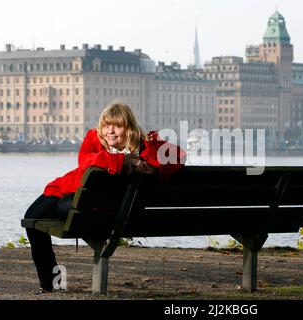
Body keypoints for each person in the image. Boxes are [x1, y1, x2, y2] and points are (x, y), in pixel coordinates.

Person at [24, 103, 186, 294]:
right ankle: (50, 282)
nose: (110, 131)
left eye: (117, 126)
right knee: (32, 218)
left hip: (95, 208)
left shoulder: (144, 147)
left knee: (62, 210)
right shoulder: (95, 139)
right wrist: (124, 161)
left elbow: (179, 157)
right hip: (67, 191)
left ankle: (49, 284)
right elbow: (85, 161)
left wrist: (149, 157)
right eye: (106, 125)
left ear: (130, 128)